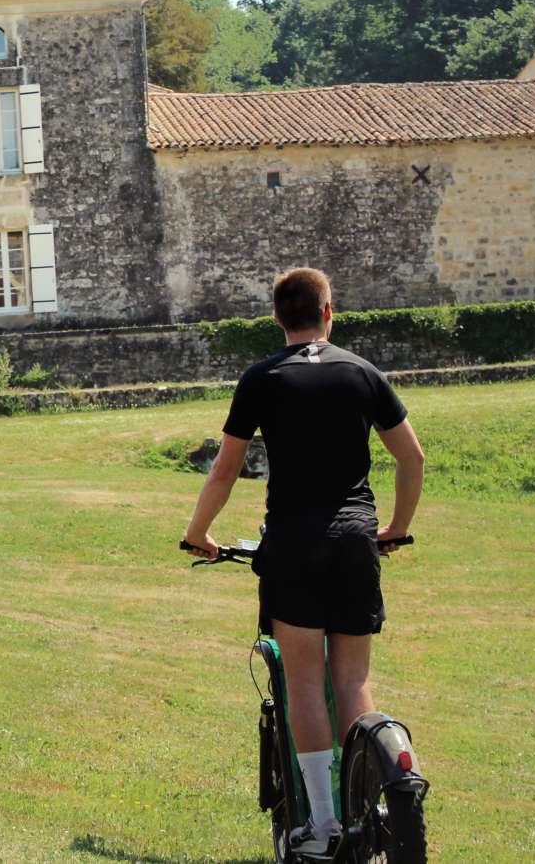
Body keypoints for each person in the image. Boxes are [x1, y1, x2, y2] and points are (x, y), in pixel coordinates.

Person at [181, 268, 425, 859]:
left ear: (278, 318)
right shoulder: (362, 372)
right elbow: (411, 458)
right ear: (329, 311)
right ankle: (368, 804)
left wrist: (198, 532)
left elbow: (226, 469)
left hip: (292, 542)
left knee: (305, 683)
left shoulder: (262, 378)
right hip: (355, 538)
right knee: (353, 681)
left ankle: (323, 824)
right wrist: (395, 528)